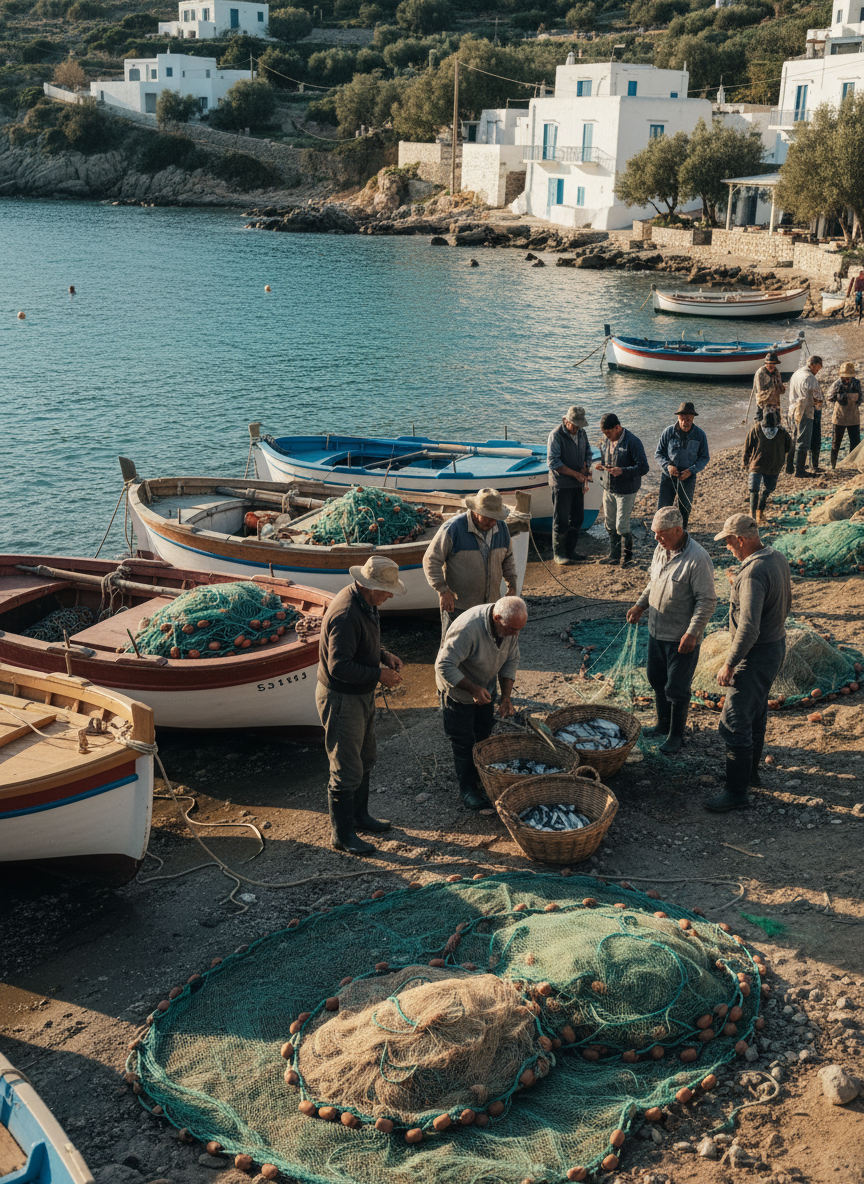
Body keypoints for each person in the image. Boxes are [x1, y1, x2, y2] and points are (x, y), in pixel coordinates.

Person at [315, 555, 405, 855]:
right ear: (367, 586)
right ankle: (342, 836)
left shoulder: (366, 602)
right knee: (346, 767)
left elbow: (362, 643)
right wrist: (380, 674)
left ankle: (360, 817)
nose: (390, 595)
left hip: (360, 695)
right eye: (386, 590)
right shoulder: (345, 613)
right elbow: (339, 666)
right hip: (342, 699)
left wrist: (382, 655)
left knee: (366, 758)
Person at [706, 514, 792, 812]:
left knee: (733, 721)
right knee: (755, 714)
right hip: (775, 645)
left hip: (755, 654)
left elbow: (748, 627)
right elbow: (786, 603)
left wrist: (730, 663)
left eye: (729, 542)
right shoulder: (776, 557)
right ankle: (749, 774)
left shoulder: (753, 573)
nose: (728, 548)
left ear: (741, 539)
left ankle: (736, 793)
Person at [626, 506, 717, 755]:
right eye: (655, 533)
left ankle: (676, 736)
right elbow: (653, 582)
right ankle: (662, 725)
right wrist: (640, 605)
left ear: (679, 530)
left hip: (681, 638)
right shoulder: (661, 549)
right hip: (657, 632)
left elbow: (707, 601)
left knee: (677, 688)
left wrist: (693, 632)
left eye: (662, 533)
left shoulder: (698, 558)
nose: (656, 538)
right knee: (657, 680)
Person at [435, 595, 528, 809]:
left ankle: (481, 777)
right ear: (497, 618)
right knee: (463, 740)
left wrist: (506, 697)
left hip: (484, 686)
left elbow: (511, 658)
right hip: (457, 690)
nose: (516, 634)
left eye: (519, 630)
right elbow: (444, 665)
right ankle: (467, 790)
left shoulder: (511, 627)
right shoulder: (468, 628)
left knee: (483, 732)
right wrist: (474, 689)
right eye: (513, 629)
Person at [423, 487, 518, 641]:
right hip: (458, 607)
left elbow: (508, 560)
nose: (492, 521)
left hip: (490, 607)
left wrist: (512, 586)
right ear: (475, 511)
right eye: (487, 517)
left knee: (484, 651)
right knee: (453, 651)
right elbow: (431, 560)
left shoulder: (502, 529)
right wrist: (443, 591)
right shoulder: (453, 528)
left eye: (495, 517)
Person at [594, 412, 650, 568]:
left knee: (622, 526)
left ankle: (628, 556)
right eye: (604, 433)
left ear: (617, 427)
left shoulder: (633, 442)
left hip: (626, 490)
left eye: (609, 433)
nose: (607, 436)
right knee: (609, 524)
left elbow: (644, 467)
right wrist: (601, 466)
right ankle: (614, 555)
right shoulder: (605, 441)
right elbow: (604, 460)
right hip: (608, 488)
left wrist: (623, 471)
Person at [547, 405, 593, 565]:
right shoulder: (556, 435)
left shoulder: (582, 433)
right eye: (574, 425)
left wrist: (586, 466)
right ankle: (558, 554)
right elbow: (553, 462)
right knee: (561, 519)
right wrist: (576, 474)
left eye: (579, 426)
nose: (577, 429)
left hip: (577, 482)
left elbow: (588, 451)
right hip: (561, 484)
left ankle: (570, 551)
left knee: (578, 518)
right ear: (566, 421)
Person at [655, 402, 710, 532]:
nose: (685, 423)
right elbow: (658, 454)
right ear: (678, 418)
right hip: (668, 477)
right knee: (663, 508)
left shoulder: (700, 435)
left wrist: (691, 471)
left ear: (693, 418)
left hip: (688, 478)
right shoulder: (668, 432)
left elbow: (704, 458)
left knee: (685, 508)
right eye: (682, 419)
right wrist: (667, 466)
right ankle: (662, 532)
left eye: (688, 420)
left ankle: (682, 532)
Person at [743, 409, 792, 522]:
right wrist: (745, 462)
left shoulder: (782, 432)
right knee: (754, 488)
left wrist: (788, 463)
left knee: (768, 488)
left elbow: (789, 447)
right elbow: (748, 446)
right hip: (758, 465)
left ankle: (760, 510)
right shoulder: (756, 429)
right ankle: (753, 513)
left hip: (773, 465)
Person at [785, 355, 823, 477]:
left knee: (794, 438)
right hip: (805, 410)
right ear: (813, 365)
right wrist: (818, 406)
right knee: (804, 440)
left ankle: (790, 466)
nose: (818, 371)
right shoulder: (810, 377)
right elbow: (817, 397)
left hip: (792, 409)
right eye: (818, 368)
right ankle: (800, 470)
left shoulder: (796, 373)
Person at [826, 361, 862, 468]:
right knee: (836, 442)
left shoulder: (857, 383)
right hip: (839, 417)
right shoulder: (837, 384)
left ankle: (853, 464)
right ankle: (833, 465)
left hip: (853, 417)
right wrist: (842, 397)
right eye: (845, 377)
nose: (847, 379)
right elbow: (829, 397)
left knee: (855, 442)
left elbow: (861, 398)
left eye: (849, 377)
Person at [751, 351, 785, 421]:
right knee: (760, 421)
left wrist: (782, 388)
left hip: (775, 402)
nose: (770, 366)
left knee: (777, 421)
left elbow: (780, 388)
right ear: (766, 363)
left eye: (772, 364)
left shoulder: (776, 371)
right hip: (763, 403)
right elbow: (760, 391)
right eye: (768, 364)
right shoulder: (760, 373)